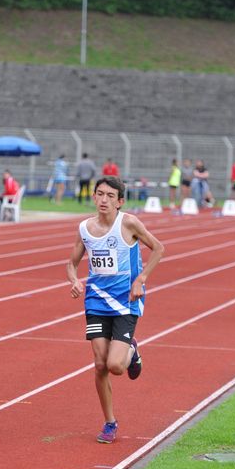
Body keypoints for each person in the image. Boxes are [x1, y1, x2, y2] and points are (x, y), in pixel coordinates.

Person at [67, 176, 164, 443]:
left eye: (110, 196)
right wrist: (74, 280)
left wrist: (141, 279)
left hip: (126, 302)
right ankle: (110, 422)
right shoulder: (85, 228)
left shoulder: (129, 223)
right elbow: (71, 263)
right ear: (93, 197)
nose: (104, 200)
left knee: (116, 366)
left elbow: (158, 248)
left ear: (120, 201)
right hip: (96, 301)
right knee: (100, 365)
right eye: (100, 194)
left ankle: (132, 351)